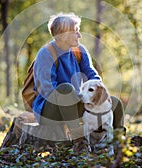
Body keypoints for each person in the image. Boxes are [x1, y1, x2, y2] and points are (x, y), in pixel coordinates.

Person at [32, 12, 124, 151]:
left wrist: (101, 92)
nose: (79, 35)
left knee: (115, 102)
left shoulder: (79, 50)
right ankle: (80, 142)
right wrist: (78, 97)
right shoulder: (46, 54)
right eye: (76, 32)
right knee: (65, 89)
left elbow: (92, 75)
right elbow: (48, 90)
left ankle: (118, 145)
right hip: (50, 110)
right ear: (63, 35)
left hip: (76, 102)